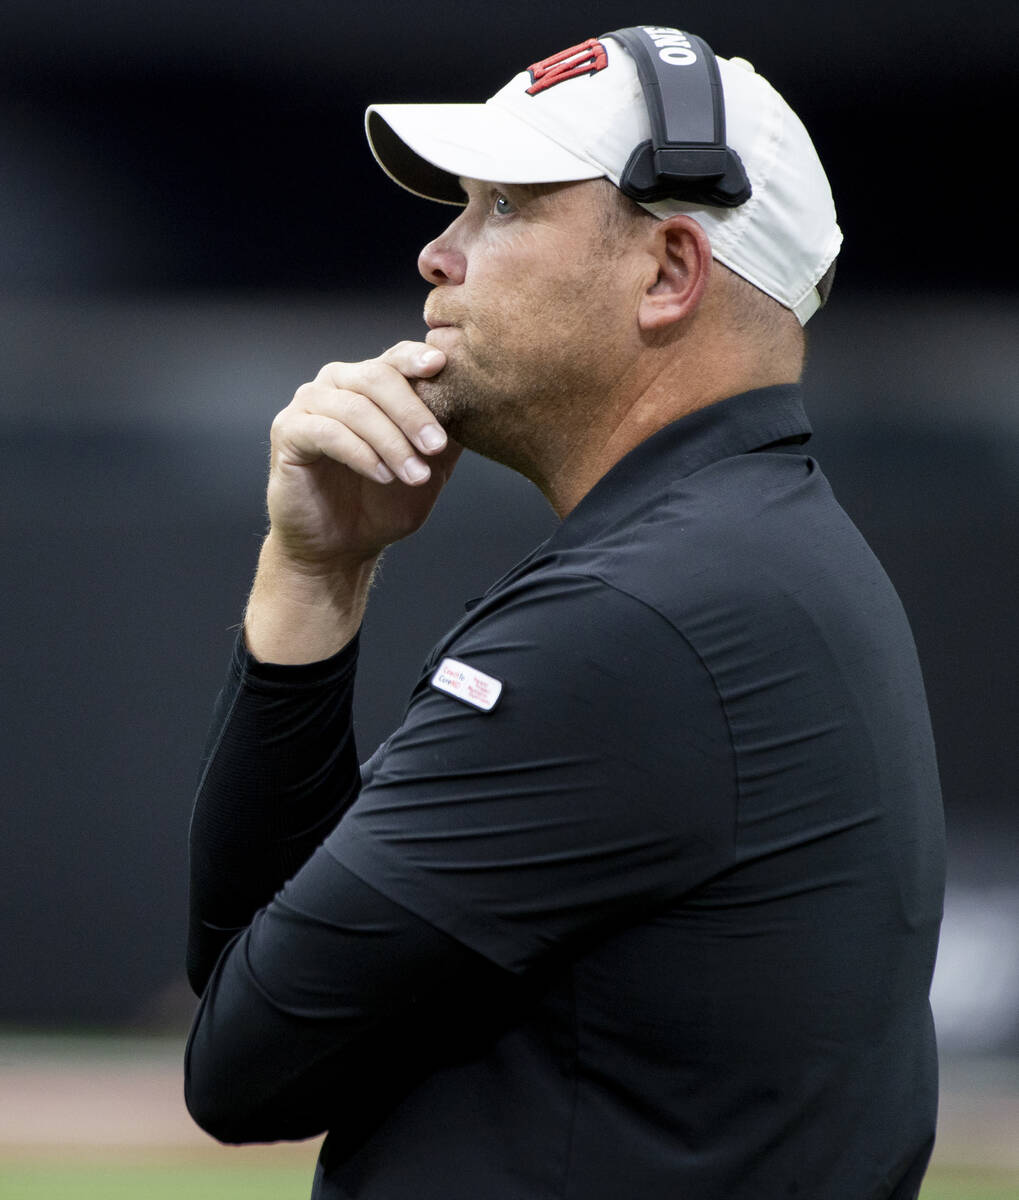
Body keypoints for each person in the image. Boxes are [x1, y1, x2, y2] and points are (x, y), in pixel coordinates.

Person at [184, 25, 945, 1200]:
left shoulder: (639, 615)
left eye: (502, 208)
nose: (438, 254)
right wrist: (314, 573)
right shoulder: (741, 553)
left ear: (667, 272)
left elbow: (244, 1066)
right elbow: (253, 994)